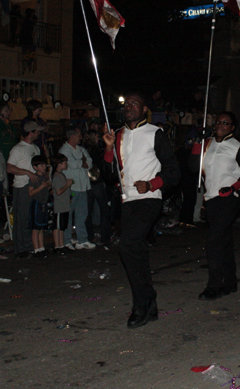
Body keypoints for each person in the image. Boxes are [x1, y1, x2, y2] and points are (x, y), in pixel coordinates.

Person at [103, 93, 180, 329]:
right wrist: (108, 150)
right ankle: (150, 304)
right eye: (126, 105)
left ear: (144, 109)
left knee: (127, 245)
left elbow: (173, 171)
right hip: (128, 201)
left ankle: (141, 305)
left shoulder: (155, 133)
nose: (129, 107)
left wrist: (152, 184)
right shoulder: (118, 135)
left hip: (149, 199)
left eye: (134, 104)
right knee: (135, 251)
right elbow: (108, 175)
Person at [189, 111, 240, 300]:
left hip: (229, 198)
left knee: (214, 241)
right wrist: (197, 143)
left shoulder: (237, 147)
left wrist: (233, 186)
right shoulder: (208, 144)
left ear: (232, 127)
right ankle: (230, 281)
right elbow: (194, 167)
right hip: (211, 198)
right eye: (218, 122)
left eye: (225, 123)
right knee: (223, 241)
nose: (220, 125)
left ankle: (214, 285)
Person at [7, 121, 44, 258]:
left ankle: (31, 246)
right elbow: (9, 168)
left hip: (34, 187)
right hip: (22, 186)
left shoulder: (35, 148)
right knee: (22, 218)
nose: (39, 134)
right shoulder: (18, 149)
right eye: (37, 131)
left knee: (31, 218)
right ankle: (22, 248)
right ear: (31, 132)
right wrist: (27, 172)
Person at [59, 127, 94, 249]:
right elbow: (71, 164)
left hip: (83, 187)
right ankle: (66, 240)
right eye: (79, 135)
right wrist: (82, 162)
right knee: (68, 215)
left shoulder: (81, 149)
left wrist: (81, 162)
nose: (81, 137)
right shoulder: (64, 150)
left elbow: (89, 163)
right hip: (71, 189)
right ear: (72, 136)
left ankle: (82, 239)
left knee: (82, 215)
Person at [83, 129, 112, 247]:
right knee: (104, 210)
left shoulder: (84, 149)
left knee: (88, 211)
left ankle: (89, 235)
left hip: (87, 183)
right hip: (96, 182)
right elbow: (100, 164)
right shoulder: (94, 150)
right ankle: (105, 236)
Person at [28, 155, 52, 256]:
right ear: (35, 167)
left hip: (43, 203)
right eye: (41, 165)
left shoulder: (45, 177)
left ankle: (41, 248)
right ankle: (36, 249)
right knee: (35, 228)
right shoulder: (35, 178)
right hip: (37, 203)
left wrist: (48, 185)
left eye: (44, 164)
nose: (44, 166)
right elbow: (31, 193)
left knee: (41, 227)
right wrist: (42, 186)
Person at [51, 154, 73, 254]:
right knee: (58, 226)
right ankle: (57, 246)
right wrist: (67, 185)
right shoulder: (56, 176)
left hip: (64, 205)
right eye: (64, 162)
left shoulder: (61, 175)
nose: (66, 164)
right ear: (59, 164)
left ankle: (61, 244)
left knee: (62, 226)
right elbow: (58, 191)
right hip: (59, 205)